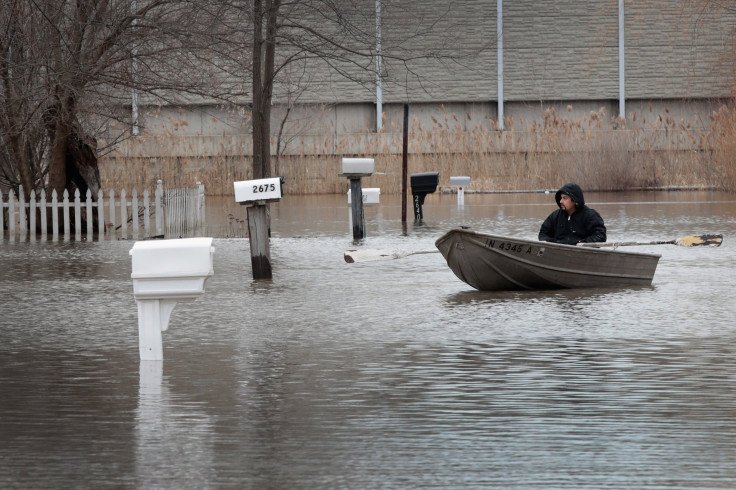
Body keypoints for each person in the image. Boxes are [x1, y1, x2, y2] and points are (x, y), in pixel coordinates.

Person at [538, 183, 606, 245]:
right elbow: (543, 234)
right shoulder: (555, 216)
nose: (561, 201)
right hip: (558, 251)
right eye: (561, 198)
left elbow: (600, 236)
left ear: (574, 200)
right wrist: (554, 243)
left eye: (565, 198)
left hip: (582, 252)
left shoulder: (590, 216)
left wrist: (582, 243)